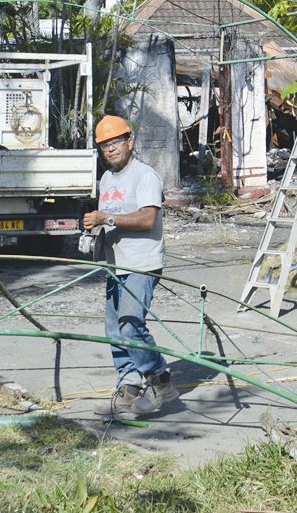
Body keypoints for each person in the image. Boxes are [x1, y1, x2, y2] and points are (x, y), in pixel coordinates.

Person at [82, 114, 173, 414]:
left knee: (130, 325)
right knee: (114, 329)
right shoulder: (106, 179)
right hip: (116, 265)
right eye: (104, 145)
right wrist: (94, 227)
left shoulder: (145, 176)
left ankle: (161, 381)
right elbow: (111, 216)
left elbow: (148, 219)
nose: (110, 149)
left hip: (141, 264)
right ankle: (130, 385)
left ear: (130, 141)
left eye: (115, 142)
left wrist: (106, 218)